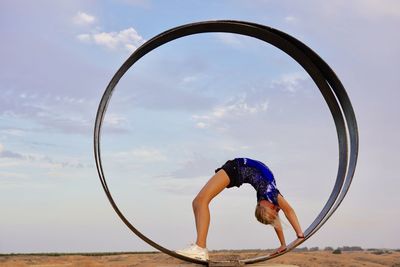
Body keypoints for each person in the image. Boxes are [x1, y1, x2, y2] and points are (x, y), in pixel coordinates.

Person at [176, 157, 304, 261]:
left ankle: (200, 247)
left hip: (235, 169)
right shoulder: (273, 194)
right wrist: (298, 234)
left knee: (200, 201)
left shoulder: (266, 199)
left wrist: (284, 243)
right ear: (272, 207)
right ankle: (200, 246)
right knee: (197, 202)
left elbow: (276, 220)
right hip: (236, 168)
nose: (277, 212)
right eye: (276, 212)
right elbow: (289, 211)